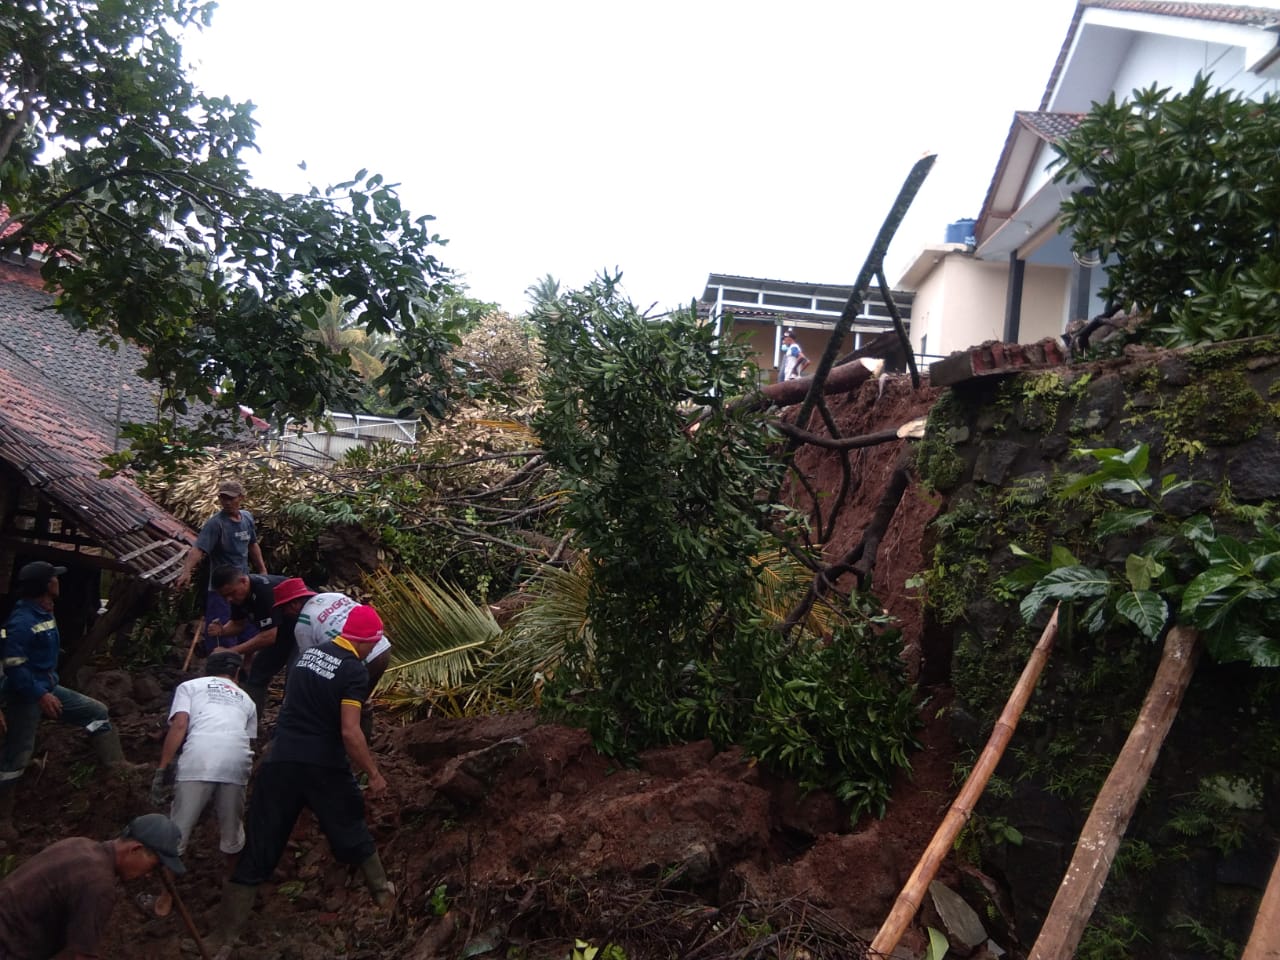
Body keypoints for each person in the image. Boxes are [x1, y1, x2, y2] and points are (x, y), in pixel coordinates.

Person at [207, 605, 393, 954]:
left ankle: (222, 939)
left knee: (261, 843)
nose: (372, 650)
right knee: (351, 827)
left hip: (281, 760)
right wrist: (375, 773)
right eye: (373, 644)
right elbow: (350, 732)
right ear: (366, 641)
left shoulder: (308, 657)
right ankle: (385, 901)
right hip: (324, 765)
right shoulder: (354, 669)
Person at [0, 562, 143, 842]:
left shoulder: (43, 610)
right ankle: (4, 818)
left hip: (49, 687)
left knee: (97, 712)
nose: (58, 581)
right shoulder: (20, 623)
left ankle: (116, 766)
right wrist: (40, 696)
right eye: (54, 578)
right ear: (45, 586)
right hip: (25, 695)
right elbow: (14, 668)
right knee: (17, 756)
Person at [0, 812, 184, 960]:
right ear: (135, 849)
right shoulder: (99, 885)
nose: (150, 873)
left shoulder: (79, 844)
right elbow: (82, 955)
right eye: (154, 865)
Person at [153, 650, 257, 865]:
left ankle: (167, 893)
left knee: (178, 829)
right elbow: (248, 739)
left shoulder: (190, 687)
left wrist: (162, 768)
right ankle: (233, 883)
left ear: (208, 669)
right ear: (237, 672)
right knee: (232, 831)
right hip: (236, 761)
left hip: (198, 758)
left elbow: (180, 725)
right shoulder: (247, 700)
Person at [173, 479, 268, 652]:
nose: (227, 502)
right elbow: (198, 549)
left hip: (244, 585)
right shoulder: (216, 524)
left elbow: (253, 545)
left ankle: (245, 671)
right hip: (222, 589)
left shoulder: (247, 518)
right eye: (223, 498)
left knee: (249, 630)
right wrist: (186, 572)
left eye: (231, 498)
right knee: (221, 631)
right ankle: (218, 669)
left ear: (241, 498)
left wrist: (262, 570)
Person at [293, 590, 394, 739]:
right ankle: (362, 742)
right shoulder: (331, 596)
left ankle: (343, 746)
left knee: (342, 709)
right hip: (383, 648)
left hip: (359, 654)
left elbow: (310, 660)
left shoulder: (303, 623)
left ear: (294, 605)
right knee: (360, 701)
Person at [208, 567, 289, 718]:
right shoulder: (238, 595)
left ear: (243, 581)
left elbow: (269, 636)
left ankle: (287, 728)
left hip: (305, 630)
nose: (229, 600)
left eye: (231, 594)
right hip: (283, 632)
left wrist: (232, 651)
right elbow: (238, 624)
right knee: (257, 673)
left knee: (295, 678)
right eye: (225, 596)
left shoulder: (264, 591)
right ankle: (250, 724)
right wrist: (222, 631)